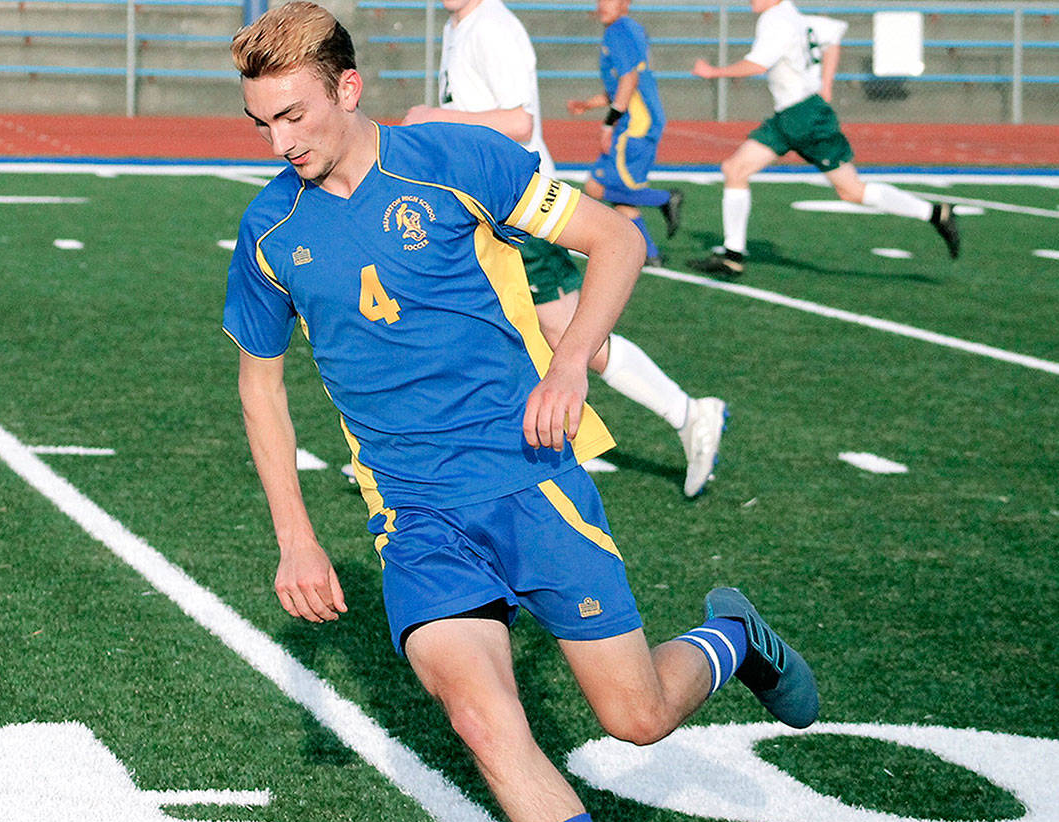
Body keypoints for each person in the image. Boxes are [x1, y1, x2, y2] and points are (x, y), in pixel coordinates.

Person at [224, 4, 819, 822]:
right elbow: (261, 387)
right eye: (261, 123)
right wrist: (296, 539)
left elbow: (615, 240)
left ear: (346, 89)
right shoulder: (270, 232)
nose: (279, 142)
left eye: (293, 115)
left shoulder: (456, 161)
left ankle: (734, 638)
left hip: (529, 478)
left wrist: (570, 361)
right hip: (414, 514)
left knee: (637, 717)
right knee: (482, 722)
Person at [402, 0, 726, 499]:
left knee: (570, 337)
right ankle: (411, 451)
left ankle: (688, 413)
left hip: (516, 204)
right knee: (449, 317)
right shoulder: (459, 23)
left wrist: (432, 118)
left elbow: (519, 123)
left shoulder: (493, 25)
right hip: (477, 203)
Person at [688, 0, 959, 277]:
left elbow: (758, 64)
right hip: (793, 114)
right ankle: (733, 256)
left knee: (851, 191)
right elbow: (833, 35)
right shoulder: (793, 16)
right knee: (735, 169)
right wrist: (825, 85)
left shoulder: (776, 19)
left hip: (805, 118)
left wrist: (713, 72)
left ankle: (936, 214)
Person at [567, 0, 683, 268]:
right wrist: (589, 104)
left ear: (626, 3)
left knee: (597, 186)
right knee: (620, 197)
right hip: (641, 122)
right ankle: (650, 255)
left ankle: (665, 198)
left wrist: (608, 124)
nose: (604, 5)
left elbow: (629, 80)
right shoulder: (629, 29)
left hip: (635, 126)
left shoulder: (618, 30)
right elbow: (622, 87)